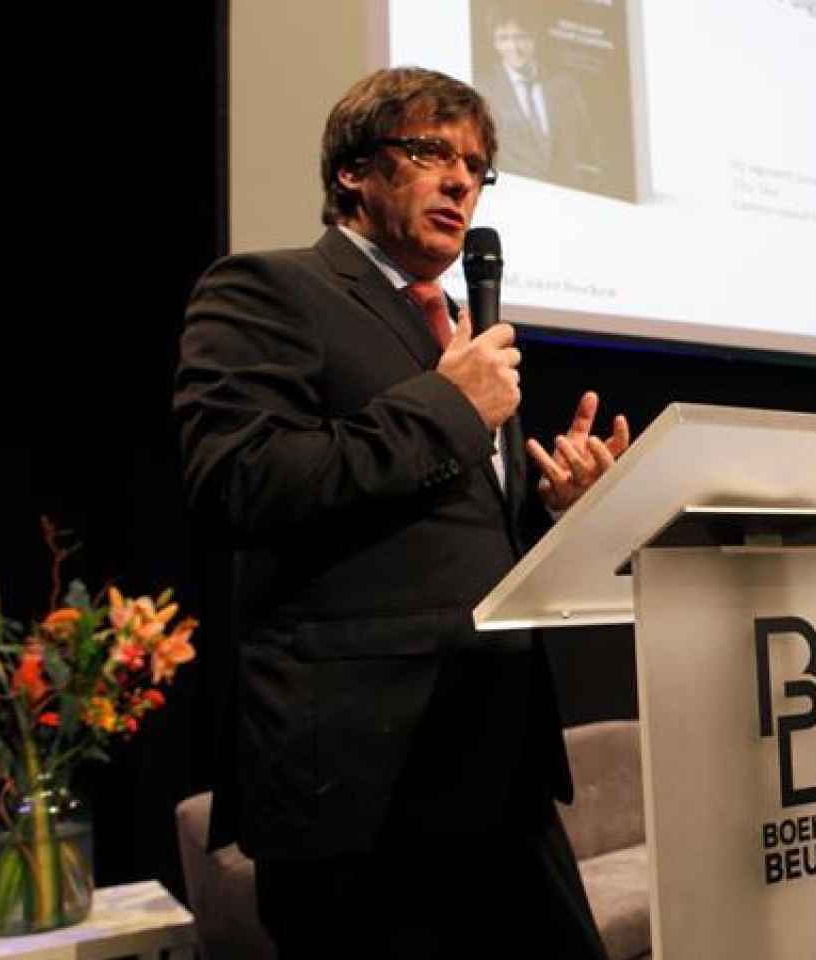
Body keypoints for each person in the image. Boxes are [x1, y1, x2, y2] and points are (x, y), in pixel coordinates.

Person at [174, 67, 629, 958]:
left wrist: (552, 508)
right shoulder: (266, 290)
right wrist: (451, 406)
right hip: (356, 788)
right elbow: (237, 480)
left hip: (500, 766)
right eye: (432, 152)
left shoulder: (460, 330)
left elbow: (454, 539)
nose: (461, 179)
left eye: (477, 165)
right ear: (353, 170)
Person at [476, 8, 601, 190]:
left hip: (570, 197)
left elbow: (587, 142)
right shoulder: (484, 89)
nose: (514, 48)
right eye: (504, 39)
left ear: (534, 37)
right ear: (495, 43)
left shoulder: (564, 85)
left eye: (521, 37)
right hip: (515, 194)